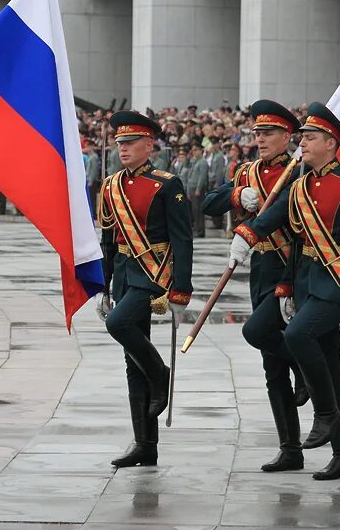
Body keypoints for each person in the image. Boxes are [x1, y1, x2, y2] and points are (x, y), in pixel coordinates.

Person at [229, 102, 340, 480]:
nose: (303, 144)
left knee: (300, 336)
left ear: (331, 143)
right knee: (258, 332)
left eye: (309, 138)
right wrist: (246, 236)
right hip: (304, 281)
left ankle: (329, 418)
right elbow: (276, 220)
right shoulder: (300, 185)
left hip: (339, 282)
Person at [202, 99, 308, 473]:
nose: (261, 140)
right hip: (260, 268)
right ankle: (290, 448)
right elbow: (209, 203)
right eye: (257, 134)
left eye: (269, 134)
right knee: (270, 364)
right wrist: (236, 196)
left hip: (289, 268)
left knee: (256, 331)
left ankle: (306, 368)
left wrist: (289, 284)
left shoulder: (298, 173)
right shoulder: (247, 172)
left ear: (287, 136)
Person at [95, 110, 193, 471]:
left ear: (149, 145)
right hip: (123, 274)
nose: (123, 149)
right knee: (131, 361)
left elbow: (183, 239)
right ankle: (145, 444)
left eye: (131, 143)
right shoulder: (110, 186)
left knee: (118, 325)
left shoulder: (167, 184)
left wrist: (182, 287)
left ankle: (161, 375)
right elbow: (108, 240)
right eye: (119, 143)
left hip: (153, 275)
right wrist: (103, 285)